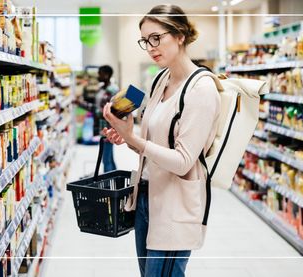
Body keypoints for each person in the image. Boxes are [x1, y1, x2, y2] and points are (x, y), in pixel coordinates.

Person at [102, 5, 220, 277]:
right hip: (144, 196)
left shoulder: (201, 89)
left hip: (174, 206)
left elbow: (182, 161)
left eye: (157, 38)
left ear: (180, 35)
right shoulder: (160, 79)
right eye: (145, 41)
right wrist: (127, 137)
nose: (151, 47)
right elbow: (151, 144)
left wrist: (135, 139)